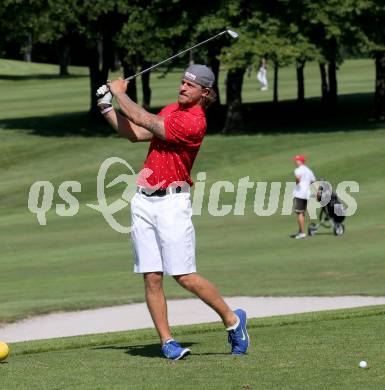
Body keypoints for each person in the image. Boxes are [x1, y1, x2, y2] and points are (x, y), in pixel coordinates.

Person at [97, 64, 250, 360]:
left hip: (172, 203)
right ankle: (168, 341)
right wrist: (105, 106)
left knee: (183, 275)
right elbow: (137, 133)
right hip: (143, 200)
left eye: (189, 85)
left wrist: (118, 94)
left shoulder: (195, 122)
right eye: (181, 82)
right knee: (151, 276)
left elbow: (144, 118)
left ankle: (233, 320)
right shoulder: (173, 109)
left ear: (203, 93)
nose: (182, 87)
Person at [291, 155, 316, 239]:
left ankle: (302, 233)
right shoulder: (309, 170)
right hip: (306, 194)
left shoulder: (298, 170)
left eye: (297, 160)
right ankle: (300, 231)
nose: (295, 162)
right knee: (301, 213)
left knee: (299, 213)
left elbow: (298, 179)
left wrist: (297, 182)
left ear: (301, 161)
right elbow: (313, 181)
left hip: (300, 193)